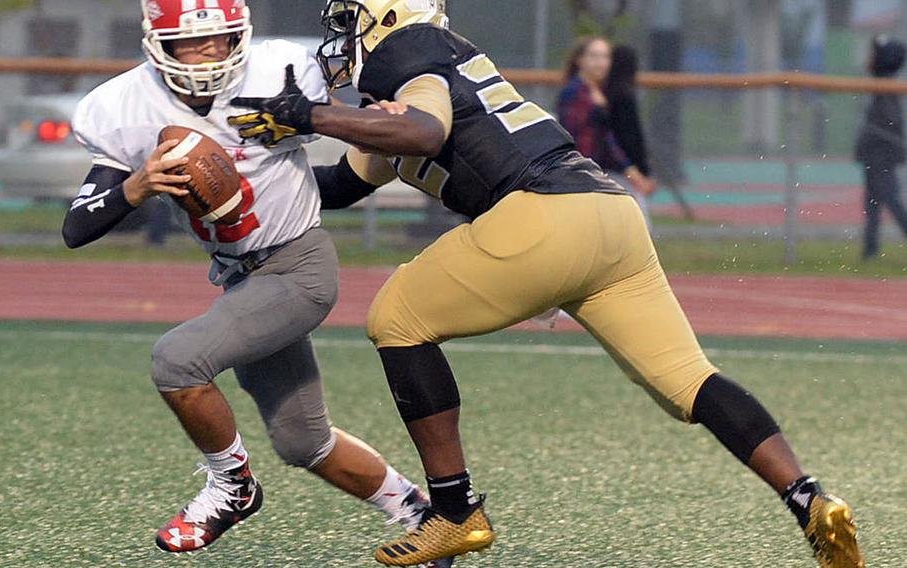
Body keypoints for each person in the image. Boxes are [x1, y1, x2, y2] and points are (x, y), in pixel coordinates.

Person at [227, 1, 864, 566]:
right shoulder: (412, 87)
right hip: (609, 216)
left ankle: (453, 513)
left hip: (540, 214)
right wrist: (242, 179)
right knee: (686, 379)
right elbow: (340, 184)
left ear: (383, 17)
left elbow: (425, 132)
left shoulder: (406, 49)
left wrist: (311, 115)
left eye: (349, 22)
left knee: (397, 318)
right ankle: (808, 499)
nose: (342, 42)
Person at [62, 1, 451, 564]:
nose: (209, 53)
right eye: (193, 42)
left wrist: (390, 112)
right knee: (303, 442)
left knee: (177, 361)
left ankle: (233, 487)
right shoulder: (122, 107)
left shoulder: (283, 69)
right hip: (242, 280)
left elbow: (377, 76)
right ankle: (421, 514)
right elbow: (77, 226)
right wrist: (136, 187)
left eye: (219, 39)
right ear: (157, 42)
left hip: (299, 267)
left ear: (239, 34)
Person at [558, 37, 656, 225]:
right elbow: (579, 139)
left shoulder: (600, 92)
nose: (600, 62)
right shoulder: (575, 93)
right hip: (585, 173)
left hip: (603, 171)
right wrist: (632, 172)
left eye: (605, 57)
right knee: (636, 222)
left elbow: (608, 138)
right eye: (594, 56)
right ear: (580, 60)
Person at [855, 34, 907, 260]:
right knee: (873, 201)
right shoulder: (879, 86)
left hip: (881, 156)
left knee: (890, 199)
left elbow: (890, 124)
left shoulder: (885, 88)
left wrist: (875, 146)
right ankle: (870, 249)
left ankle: (870, 249)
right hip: (875, 155)